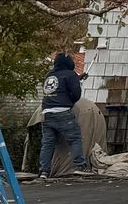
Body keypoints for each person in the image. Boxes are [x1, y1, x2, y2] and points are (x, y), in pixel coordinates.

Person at [37, 52, 94, 180]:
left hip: (46, 114)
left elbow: (59, 86)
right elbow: (75, 95)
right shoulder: (70, 74)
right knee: (74, 139)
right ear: (69, 63)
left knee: (47, 144)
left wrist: (78, 78)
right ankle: (79, 167)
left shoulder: (49, 75)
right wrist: (77, 82)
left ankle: (43, 172)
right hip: (63, 113)